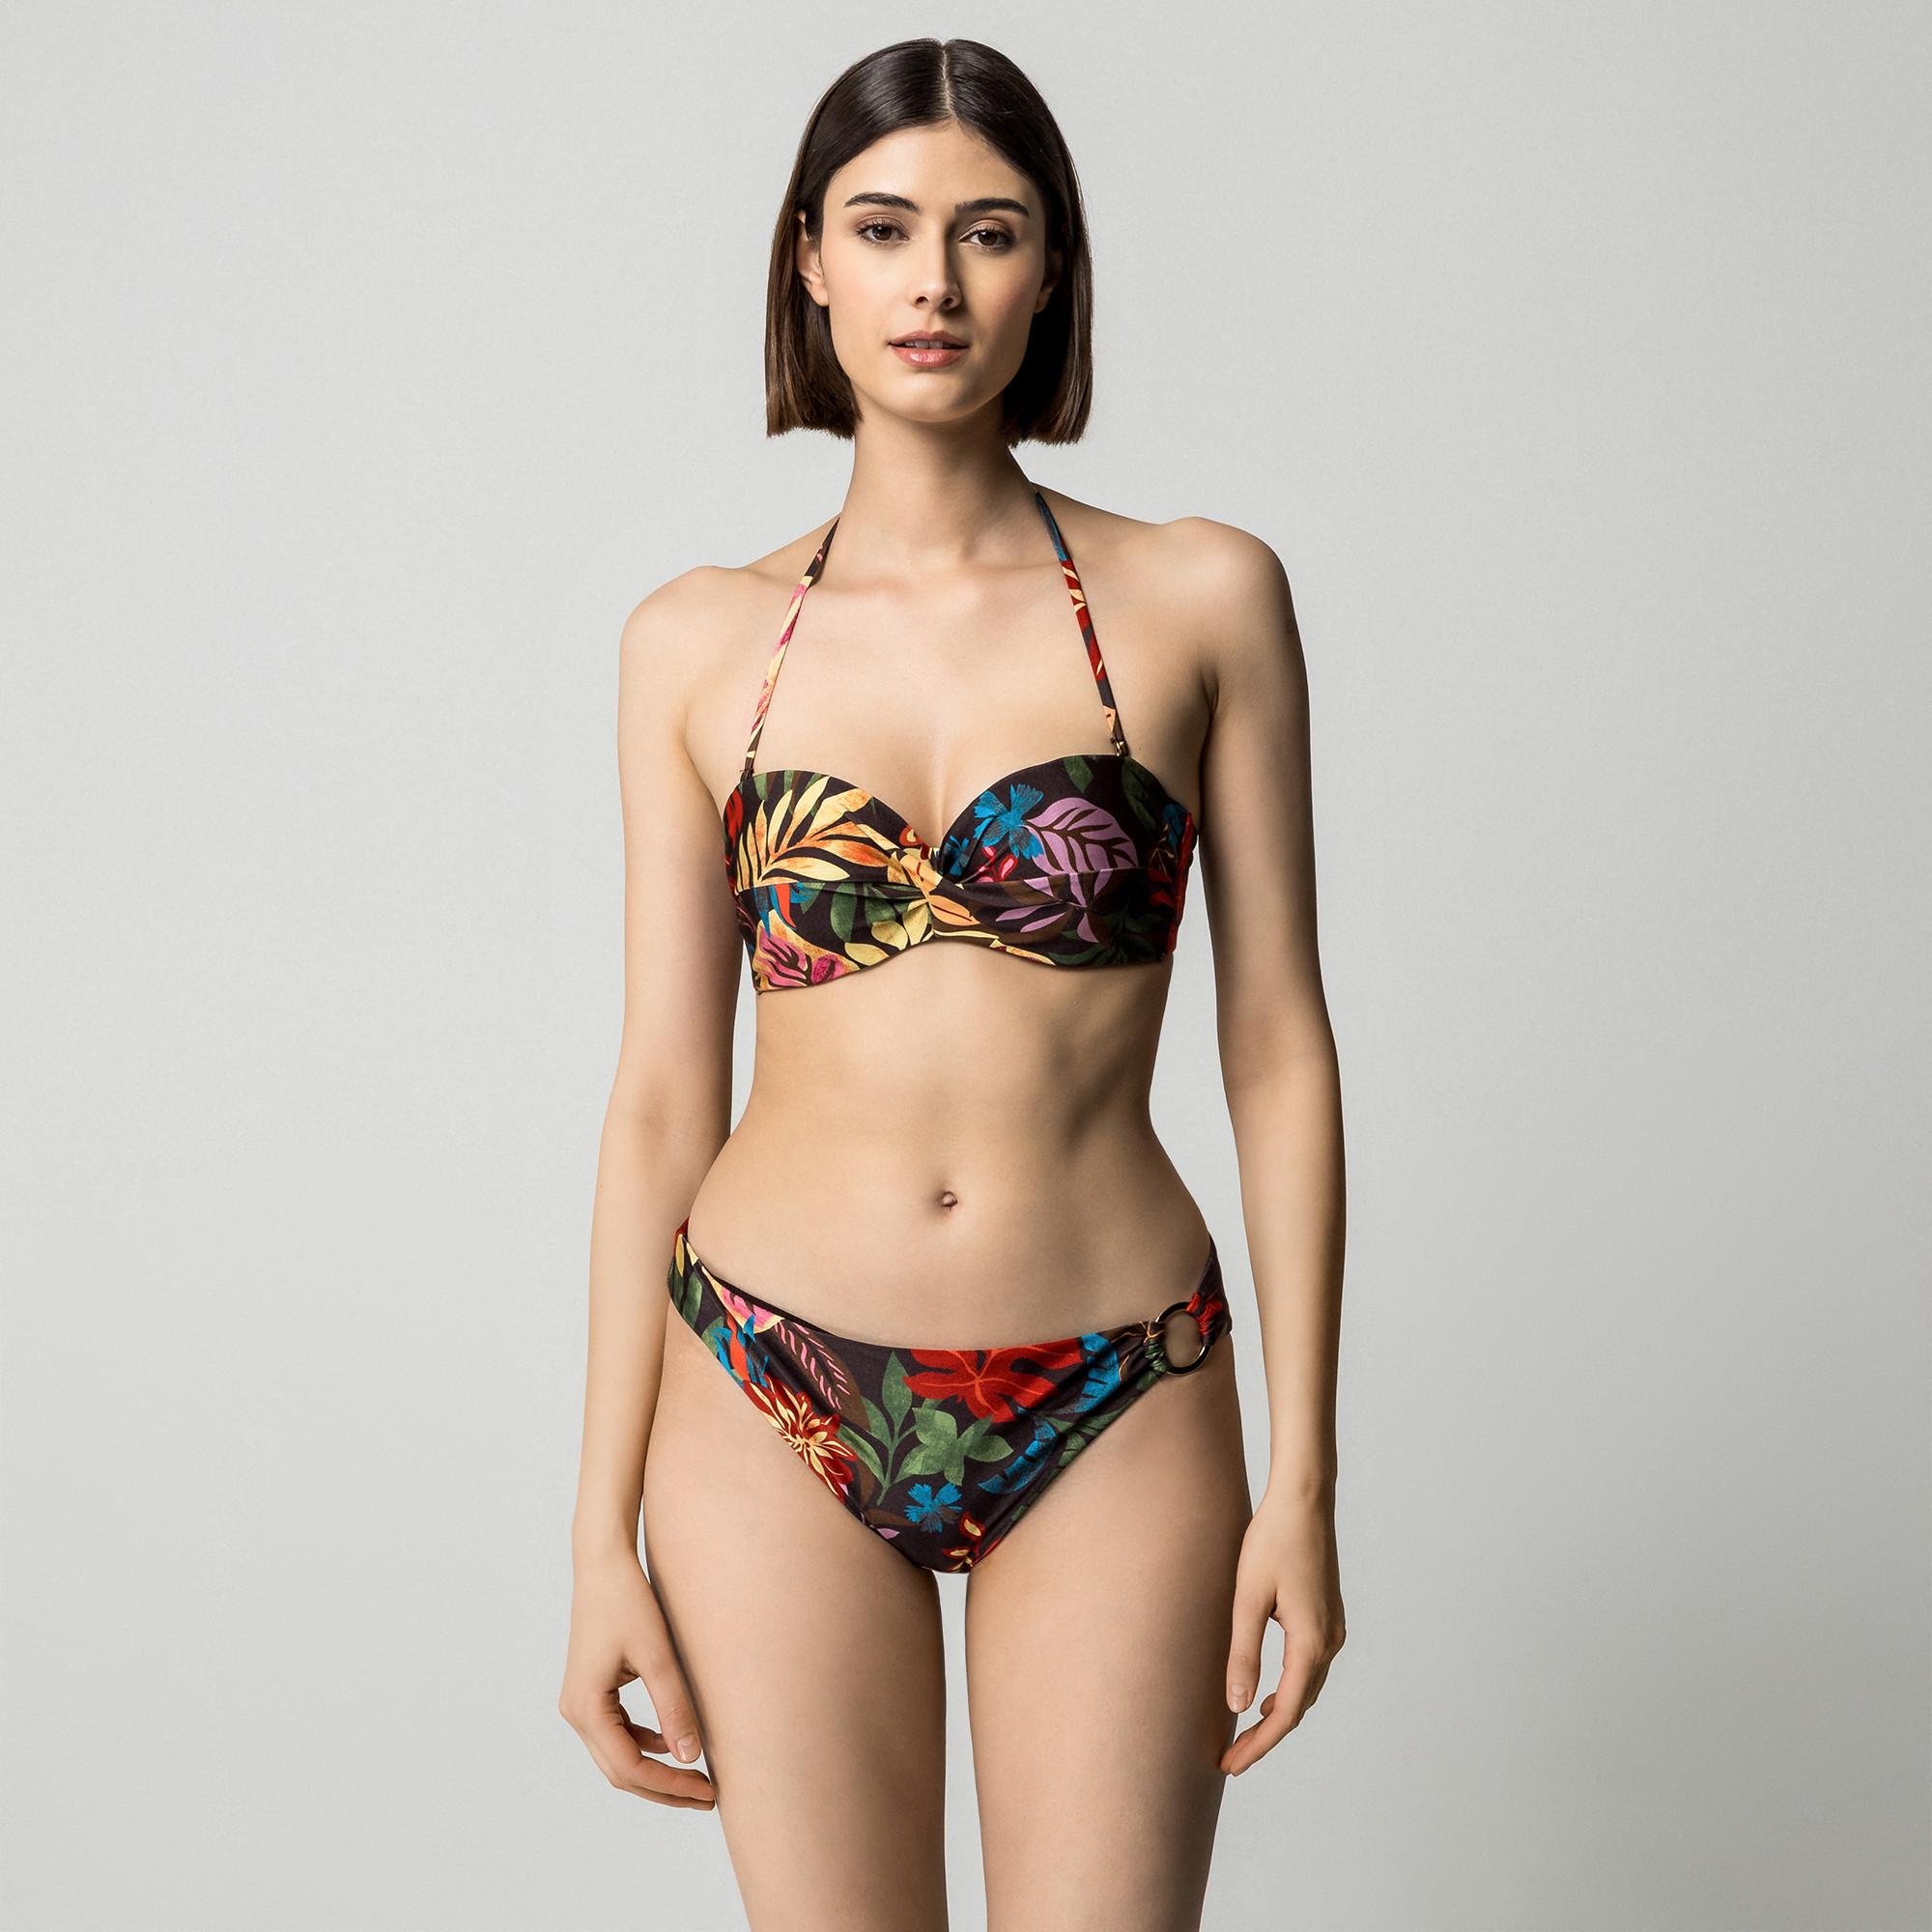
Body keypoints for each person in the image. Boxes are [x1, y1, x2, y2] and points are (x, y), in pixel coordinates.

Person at [560, 36, 1347, 1931]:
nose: (934, 282)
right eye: (883, 229)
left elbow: (1276, 1048)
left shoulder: (1201, 597)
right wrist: (595, 1535)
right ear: (807, 260)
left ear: (1051, 269)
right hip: (764, 1383)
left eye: (988, 233)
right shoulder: (693, 641)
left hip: (1117, 1382)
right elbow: (662, 1093)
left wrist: (1306, 1485)